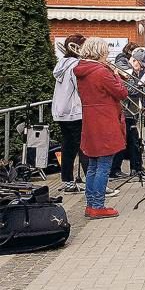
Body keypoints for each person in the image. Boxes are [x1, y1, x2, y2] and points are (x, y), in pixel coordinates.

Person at [74, 37, 128, 219]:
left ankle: (91, 204)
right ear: (100, 52)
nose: (107, 55)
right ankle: (98, 205)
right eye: (105, 51)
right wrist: (115, 74)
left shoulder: (83, 70)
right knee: (103, 166)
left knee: (92, 166)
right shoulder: (101, 72)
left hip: (91, 119)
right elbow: (122, 93)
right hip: (105, 121)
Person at [53, 33, 88, 193]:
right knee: (84, 147)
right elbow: (81, 89)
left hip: (61, 111)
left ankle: (67, 181)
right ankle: (92, 182)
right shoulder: (76, 65)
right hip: (75, 111)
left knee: (68, 147)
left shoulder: (62, 63)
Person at [110, 42, 145, 179]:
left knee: (133, 141)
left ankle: (136, 167)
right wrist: (140, 86)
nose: (140, 68)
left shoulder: (130, 68)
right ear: (133, 59)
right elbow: (129, 89)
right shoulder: (124, 67)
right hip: (125, 109)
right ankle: (115, 169)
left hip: (131, 109)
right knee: (124, 140)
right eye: (139, 65)